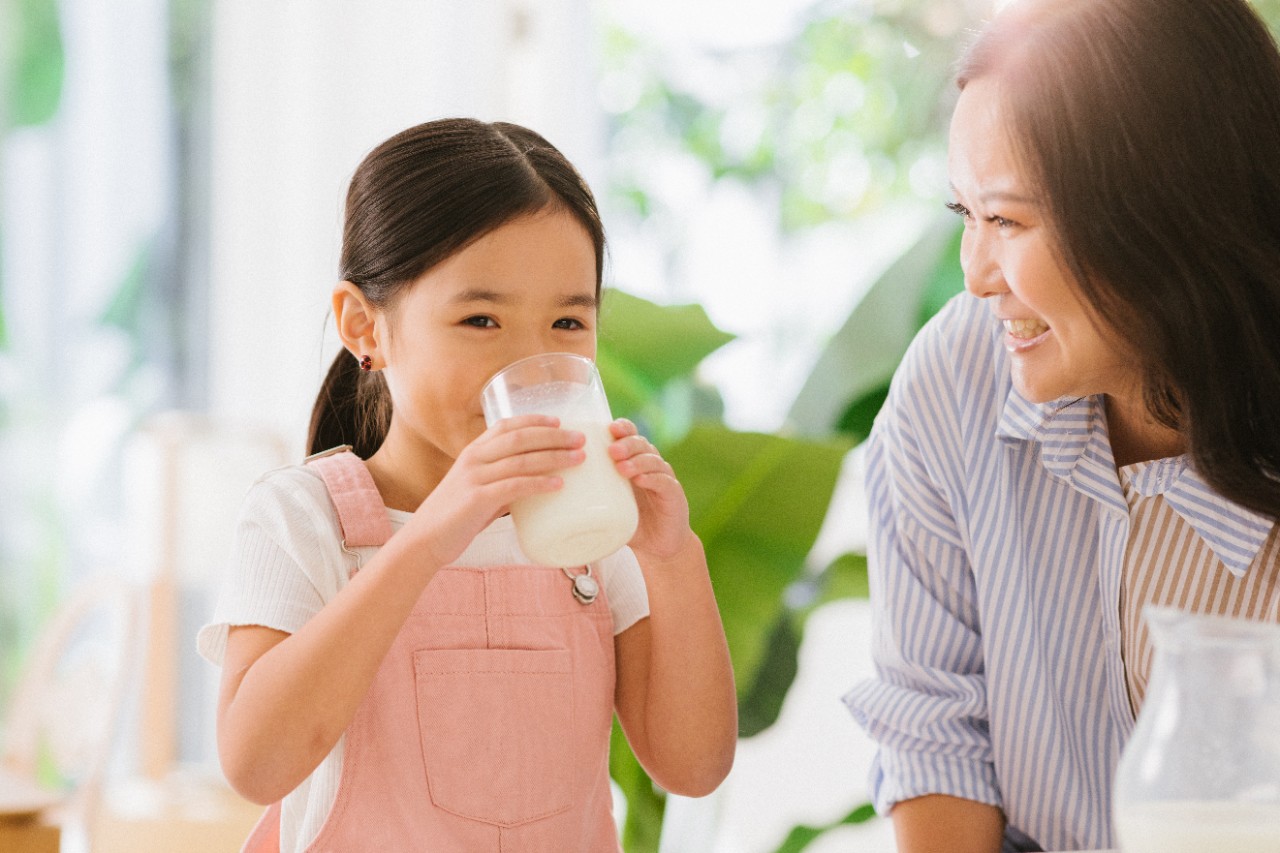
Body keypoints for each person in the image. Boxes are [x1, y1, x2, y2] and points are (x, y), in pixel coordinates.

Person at [197, 118, 737, 853]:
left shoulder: (591, 525)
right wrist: (428, 536)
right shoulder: (303, 517)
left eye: (568, 321)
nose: (531, 359)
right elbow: (256, 763)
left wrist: (674, 560)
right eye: (481, 318)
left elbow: (695, 764)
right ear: (366, 327)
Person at [844, 0, 1280, 850]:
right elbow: (936, 735)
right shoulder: (956, 381)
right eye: (963, 215)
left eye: (1007, 220)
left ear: (1162, 215)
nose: (975, 276)